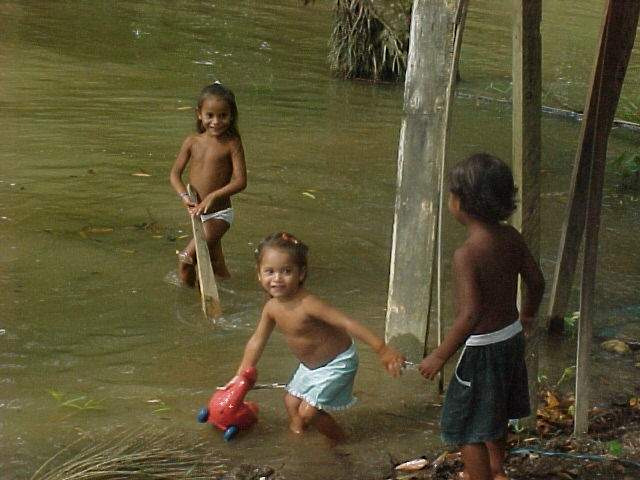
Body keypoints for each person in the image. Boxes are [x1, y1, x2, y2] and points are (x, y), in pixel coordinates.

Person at [418, 153, 545, 480]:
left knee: (467, 428)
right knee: (496, 411)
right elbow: (537, 282)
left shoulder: (467, 254)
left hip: (482, 350)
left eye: (451, 195)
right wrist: (527, 317)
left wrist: (439, 355)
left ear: (461, 203)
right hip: (511, 339)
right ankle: (496, 469)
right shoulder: (511, 237)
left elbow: (470, 314)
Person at [236, 232, 406, 444]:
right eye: (269, 272)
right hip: (310, 367)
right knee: (290, 402)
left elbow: (347, 323)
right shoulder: (271, 308)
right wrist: (240, 377)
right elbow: (257, 340)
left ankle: (343, 445)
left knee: (309, 411)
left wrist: (382, 349)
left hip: (337, 363)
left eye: (286, 271)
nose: (277, 278)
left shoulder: (308, 303)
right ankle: (298, 440)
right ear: (259, 275)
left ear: (301, 274)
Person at [170, 82, 247, 286]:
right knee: (216, 263)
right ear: (199, 114)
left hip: (220, 215)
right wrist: (184, 197)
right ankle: (234, 294)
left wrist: (213, 196)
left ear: (231, 116)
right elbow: (174, 174)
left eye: (223, 116)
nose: (216, 122)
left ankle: (187, 304)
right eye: (210, 115)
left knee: (186, 259)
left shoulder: (232, 144)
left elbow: (241, 181)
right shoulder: (192, 142)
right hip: (199, 215)